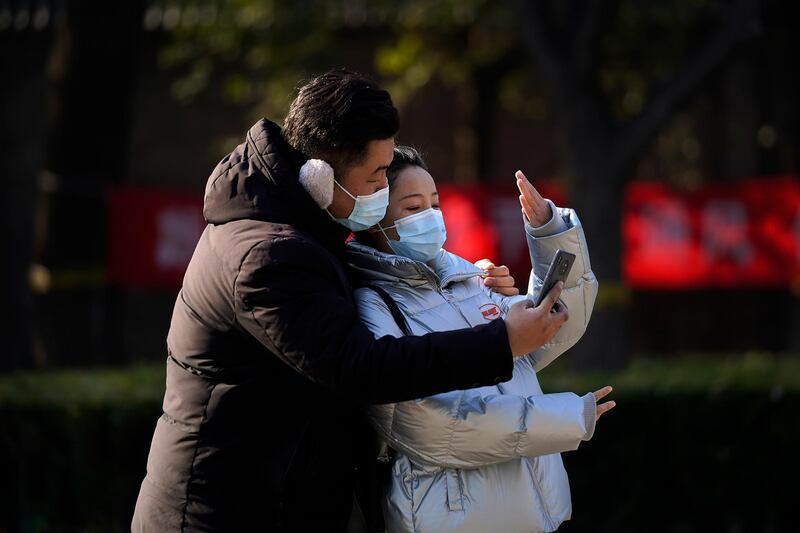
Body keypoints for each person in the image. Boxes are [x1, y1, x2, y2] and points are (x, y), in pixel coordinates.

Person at [131, 70, 572, 532]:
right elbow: (361, 367)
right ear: (320, 177)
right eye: (377, 176)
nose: (384, 190)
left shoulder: (300, 230)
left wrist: (461, 285)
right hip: (224, 514)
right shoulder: (268, 254)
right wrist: (500, 342)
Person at [347, 146, 614, 532]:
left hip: (532, 512)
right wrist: (568, 416)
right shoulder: (372, 304)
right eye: (412, 208)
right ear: (374, 219)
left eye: (434, 204)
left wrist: (550, 234)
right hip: (448, 519)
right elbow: (426, 425)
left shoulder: (468, 277)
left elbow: (549, 330)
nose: (430, 217)